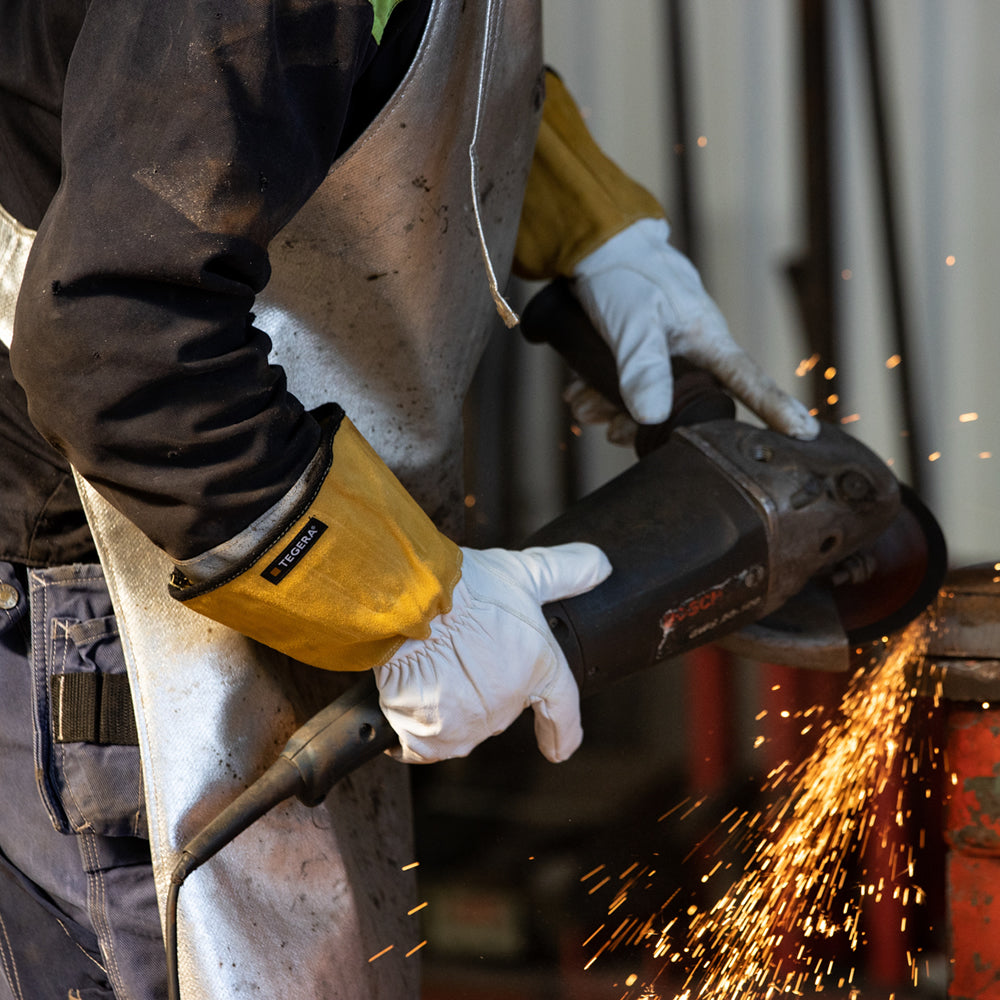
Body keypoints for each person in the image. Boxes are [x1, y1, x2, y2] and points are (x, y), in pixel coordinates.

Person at [0, 0, 819, 996]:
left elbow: (345, 73)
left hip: (234, 530)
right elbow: (113, 340)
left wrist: (593, 233)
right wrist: (410, 604)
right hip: (117, 596)